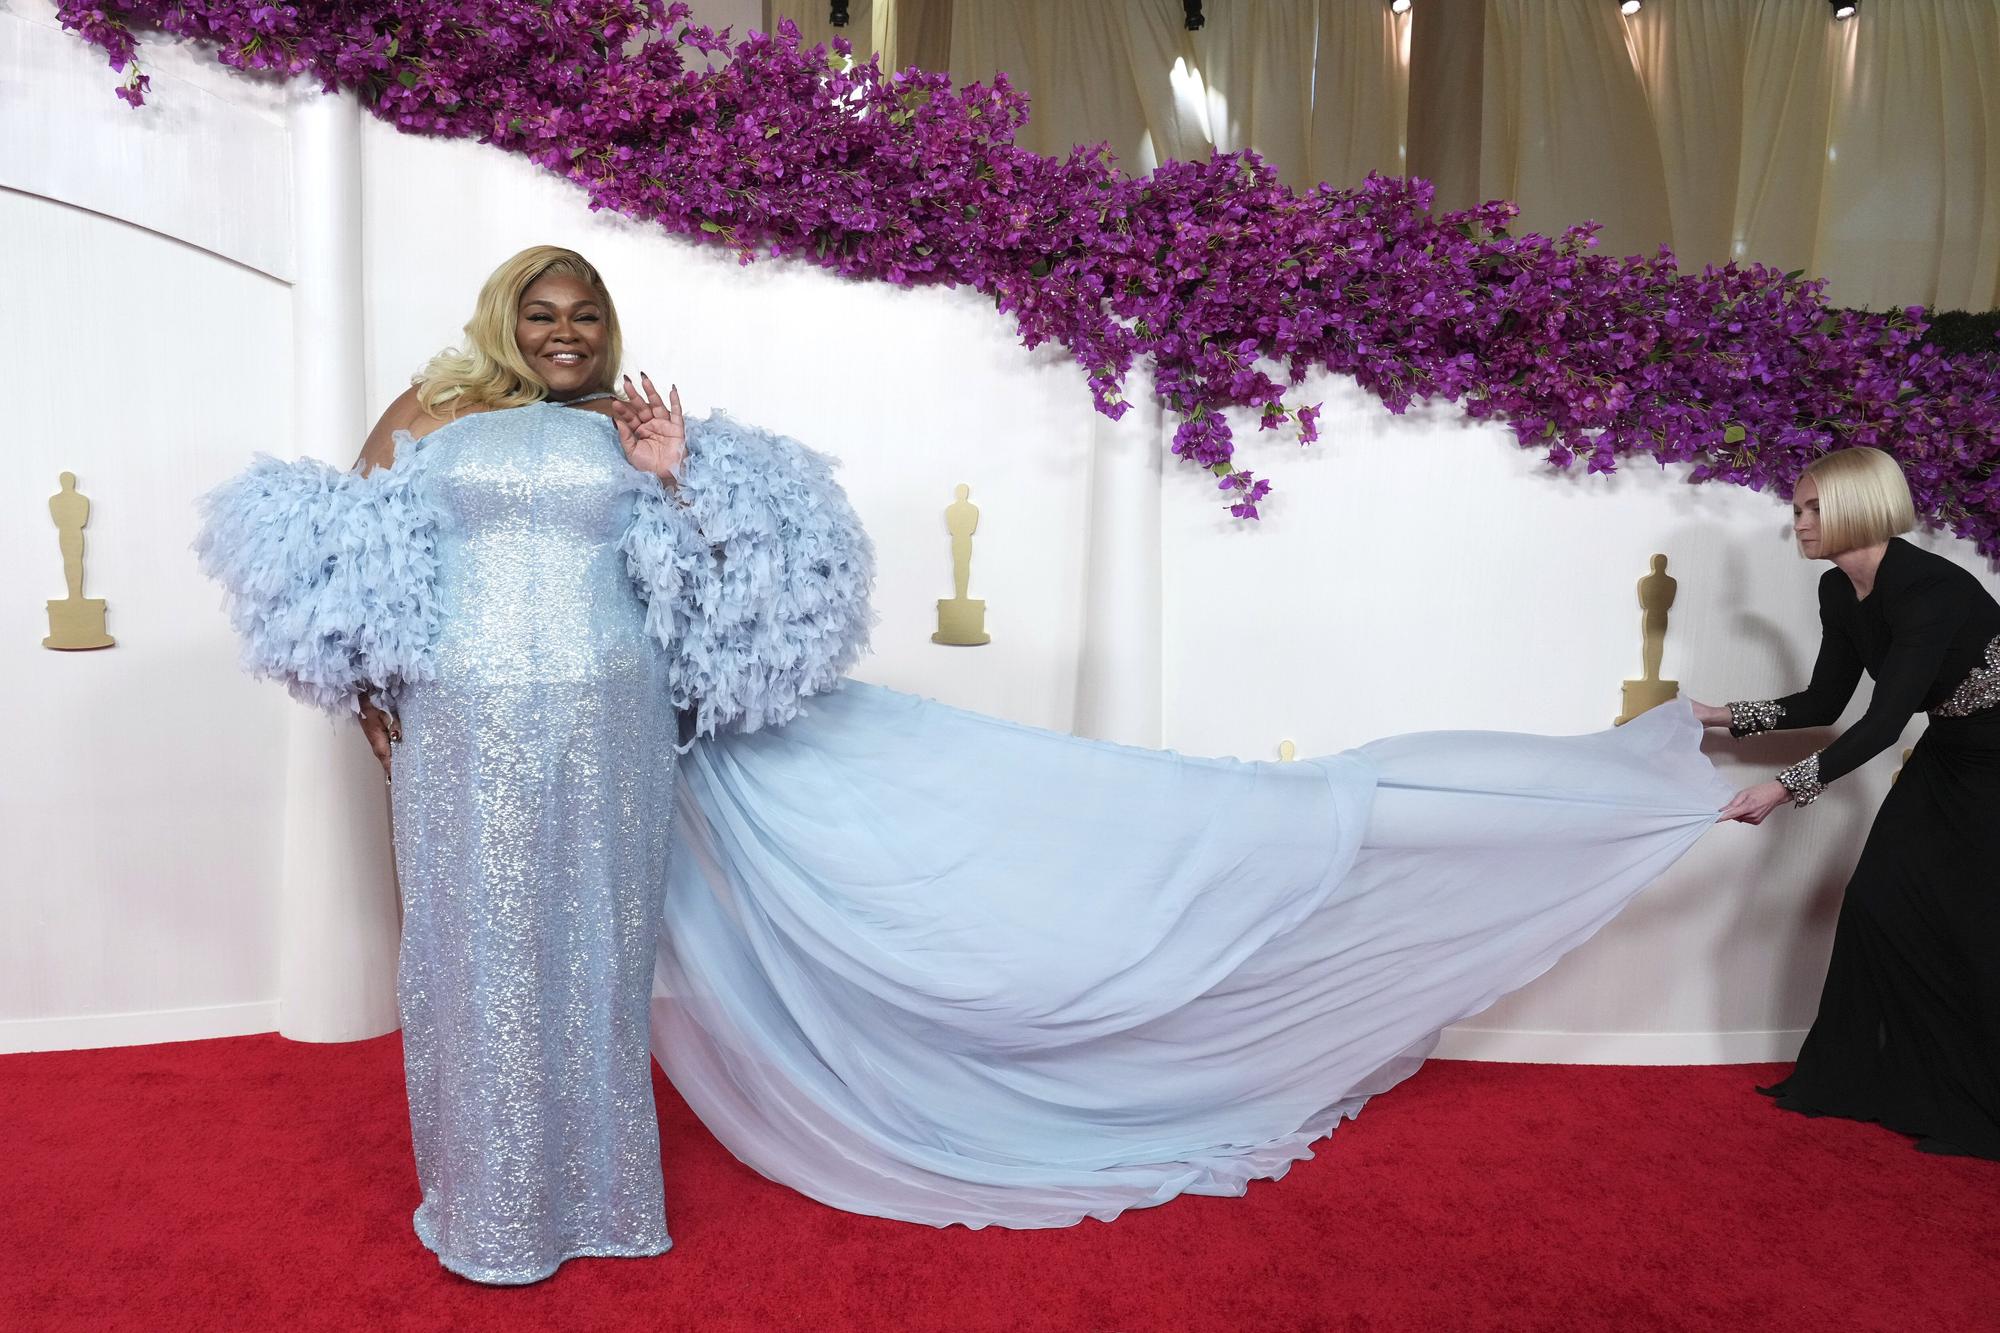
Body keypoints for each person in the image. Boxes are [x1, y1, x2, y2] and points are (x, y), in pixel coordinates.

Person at [198, 244, 1735, 1284]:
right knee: (472, 957)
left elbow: (734, 599)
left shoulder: (647, 430)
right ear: (498, 319)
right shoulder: (433, 410)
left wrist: (671, 483)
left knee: (596, 962)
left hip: (608, 728)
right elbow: (342, 567)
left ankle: (597, 1199)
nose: (565, 334)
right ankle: (486, 1206)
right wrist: (370, 691)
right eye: (541, 313)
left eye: (586, 315)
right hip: (465, 726)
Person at [1692, 446, 2000, 1159]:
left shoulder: (1929, 589)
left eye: (1812, 509)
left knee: (1978, 928)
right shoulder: (1838, 590)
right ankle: (1881, 1081)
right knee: (1877, 904)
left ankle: (1972, 1092)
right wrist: (1715, 712)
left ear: (1860, 508)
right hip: (1954, 750)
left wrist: (1781, 789)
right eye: (1797, 508)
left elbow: (1885, 723)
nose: (1796, 523)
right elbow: (1826, 700)